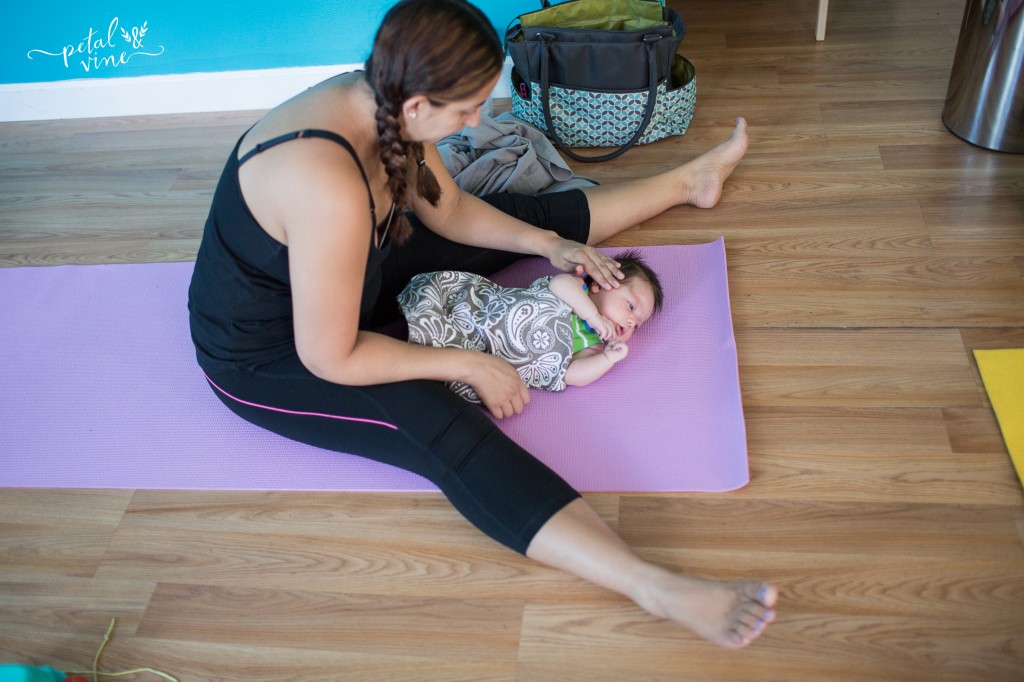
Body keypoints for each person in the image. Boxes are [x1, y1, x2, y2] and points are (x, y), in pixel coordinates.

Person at [187, 0, 776, 648]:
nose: (476, 121)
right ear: (418, 104)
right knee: (442, 427)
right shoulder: (328, 186)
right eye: (467, 110)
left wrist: (550, 245)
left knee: (518, 216)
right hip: (274, 356)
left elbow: (450, 209)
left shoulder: (386, 104)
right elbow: (332, 355)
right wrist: (470, 363)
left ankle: (689, 182)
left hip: (355, 283)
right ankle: (655, 587)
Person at [397, 249, 664, 401]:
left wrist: (607, 359)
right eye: (631, 306)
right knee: (441, 315)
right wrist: (593, 316)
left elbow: (571, 374)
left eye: (637, 324)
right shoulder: (576, 288)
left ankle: (412, 357)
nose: (631, 321)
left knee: (432, 370)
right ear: (601, 284)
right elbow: (558, 285)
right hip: (484, 314)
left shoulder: (590, 345)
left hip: (486, 354)